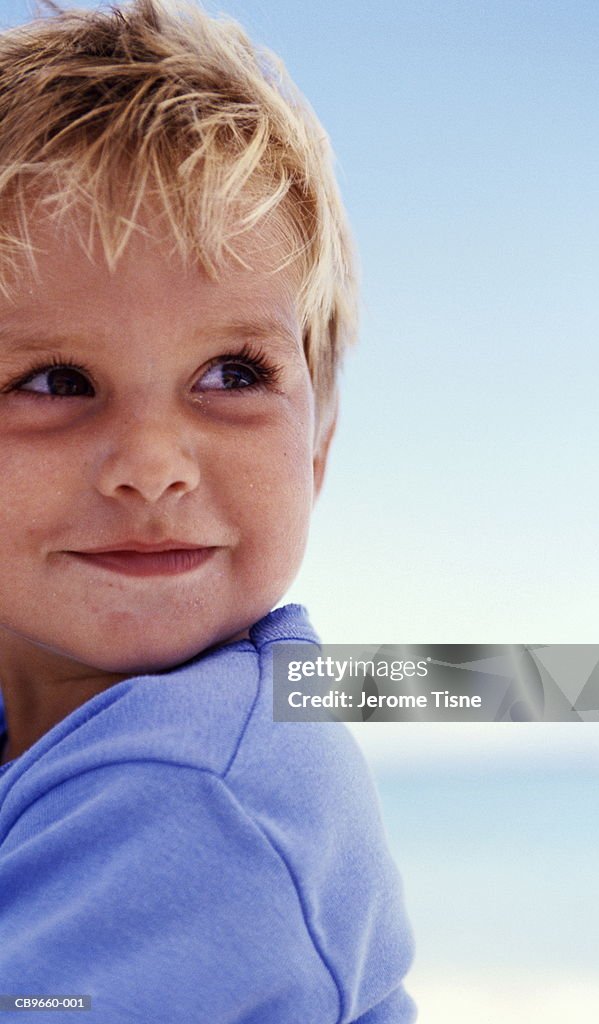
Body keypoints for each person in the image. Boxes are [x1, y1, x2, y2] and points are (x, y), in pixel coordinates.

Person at [0, 1, 416, 1020]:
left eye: (232, 373)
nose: (151, 466)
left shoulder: (191, 788)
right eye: (56, 381)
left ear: (316, 441)